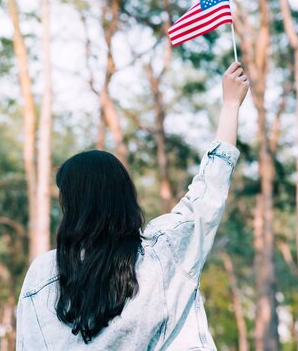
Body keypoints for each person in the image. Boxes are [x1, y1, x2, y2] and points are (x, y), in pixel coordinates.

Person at [15, 62, 249, 350]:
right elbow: (209, 190)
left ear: (72, 207)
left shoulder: (43, 275)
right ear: (123, 197)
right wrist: (230, 104)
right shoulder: (164, 254)